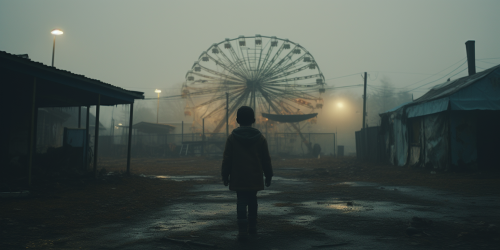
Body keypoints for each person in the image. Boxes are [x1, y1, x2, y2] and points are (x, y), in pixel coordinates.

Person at [221, 106, 273, 241]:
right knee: (253, 201)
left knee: (241, 202)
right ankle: (253, 227)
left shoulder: (232, 138)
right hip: (254, 176)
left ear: (237, 120)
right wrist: (268, 175)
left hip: (238, 176)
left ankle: (242, 230)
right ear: (254, 120)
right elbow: (266, 159)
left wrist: (225, 176)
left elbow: (227, 159)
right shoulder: (260, 138)